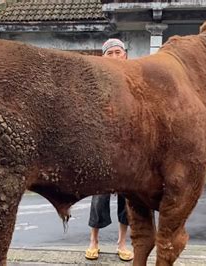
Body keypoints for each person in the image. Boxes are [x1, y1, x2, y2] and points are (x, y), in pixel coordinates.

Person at [85, 38, 134, 262]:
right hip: (103, 148)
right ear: (103, 57)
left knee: (128, 199)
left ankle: (122, 243)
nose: (114, 57)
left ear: (125, 55)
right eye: (110, 53)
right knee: (99, 197)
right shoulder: (96, 82)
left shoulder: (133, 80)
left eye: (118, 52)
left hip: (129, 149)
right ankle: (93, 241)